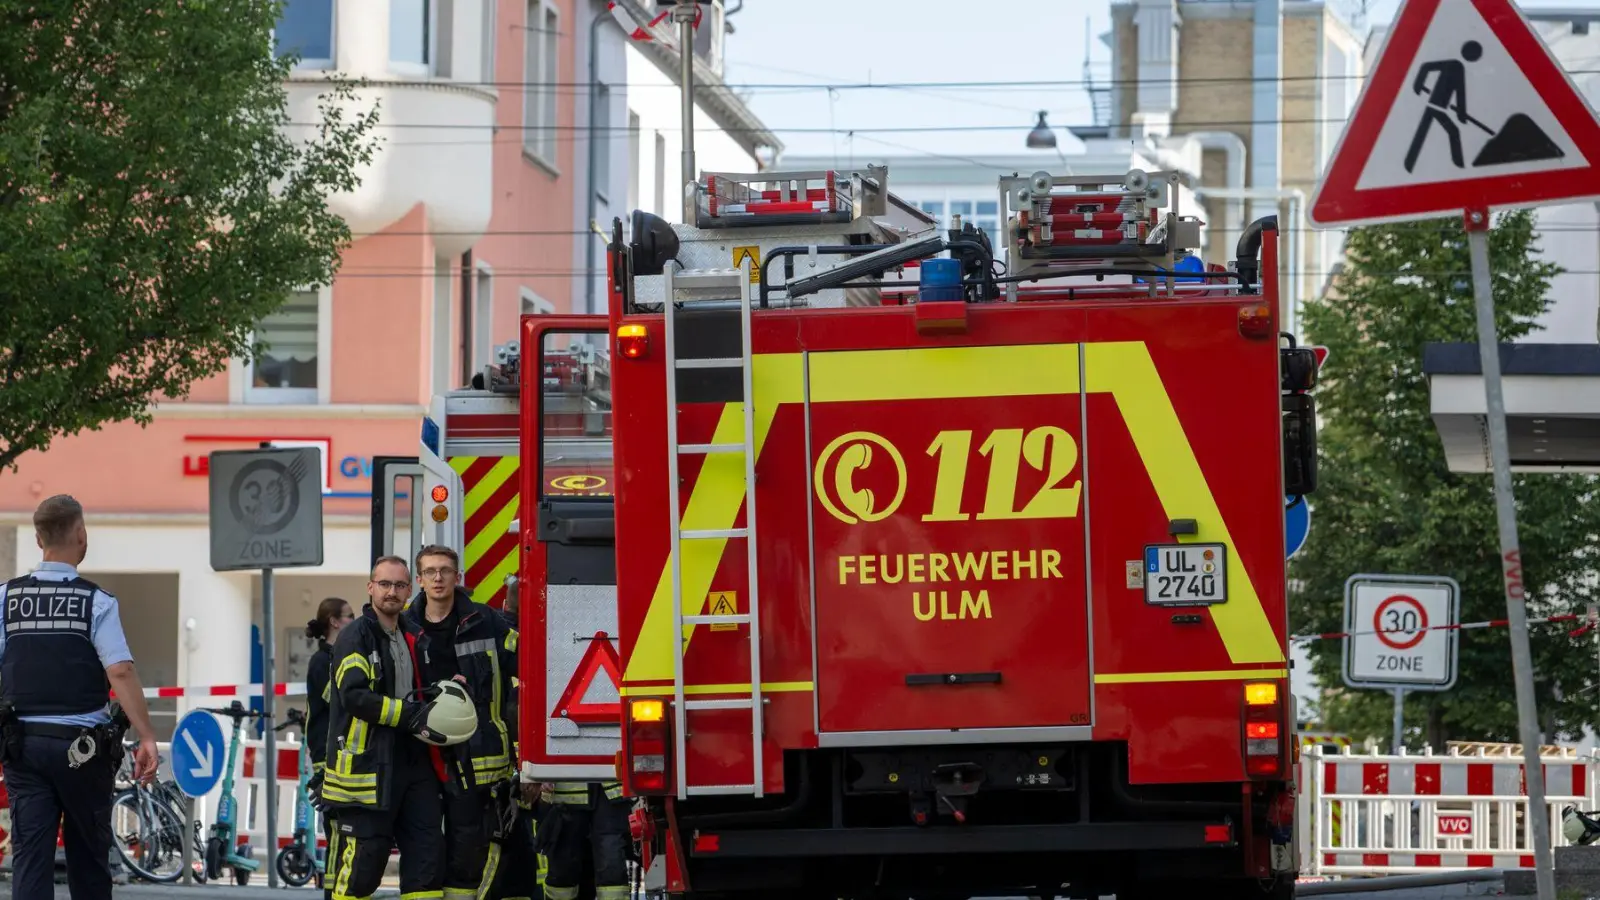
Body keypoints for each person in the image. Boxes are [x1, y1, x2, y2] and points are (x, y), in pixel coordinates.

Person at [0, 495, 160, 900]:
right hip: (83, 753)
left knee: (30, 860)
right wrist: (146, 736)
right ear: (81, 534)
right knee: (88, 861)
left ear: (38, 540)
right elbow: (120, 670)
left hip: (23, 747)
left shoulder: (6, 599)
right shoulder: (96, 602)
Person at [322, 556, 456, 900]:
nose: (391, 592)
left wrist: (447, 689)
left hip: (414, 761)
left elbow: (419, 687)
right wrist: (407, 714)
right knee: (364, 868)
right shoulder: (355, 637)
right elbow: (354, 696)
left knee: (428, 861)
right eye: (384, 584)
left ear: (410, 590)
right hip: (368, 767)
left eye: (399, 585)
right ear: (370, 588)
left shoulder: (414, 634)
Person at [403, 545, 518, 900]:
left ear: (458, 577)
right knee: (423, 847)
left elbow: (525, 677)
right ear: (419, 580)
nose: (439, 578)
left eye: (445, 571)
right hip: (420, 755)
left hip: (476, 758)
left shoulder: (489, 622)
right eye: (431, 572)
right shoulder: (403, 625)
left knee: (468, 850)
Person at [304, 596, 352, 900]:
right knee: (336, 833)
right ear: (334, 621)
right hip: (327, 756)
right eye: (348, 616)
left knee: (344, 834)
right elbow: (341, 702)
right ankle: (332, 893)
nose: (353, 621)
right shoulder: (323, 662)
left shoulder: (337, 656)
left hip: (338, 754)